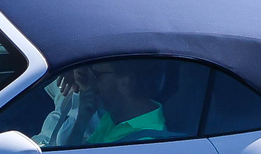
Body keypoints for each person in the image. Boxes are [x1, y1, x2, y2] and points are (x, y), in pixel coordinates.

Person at [36, 61, 169, 148]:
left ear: (124, 83)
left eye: (97, 75)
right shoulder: (117, 117)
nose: (91, 80)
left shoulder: (146, 141)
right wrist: (82, 120)